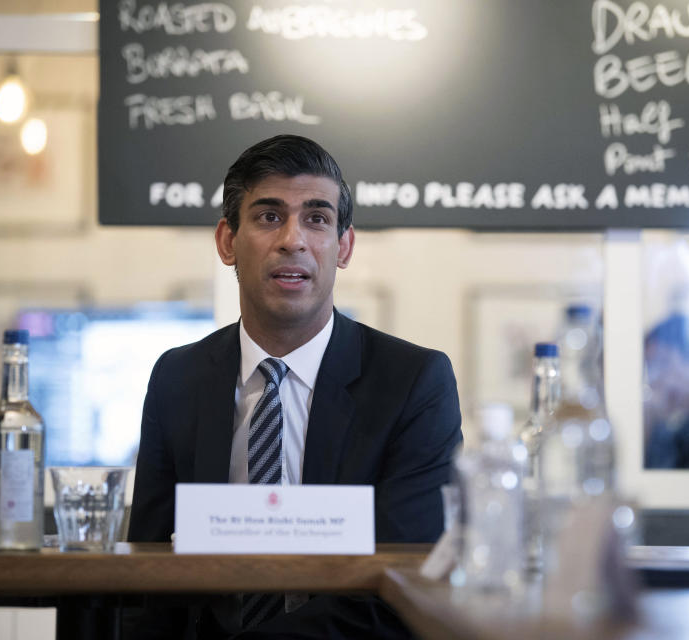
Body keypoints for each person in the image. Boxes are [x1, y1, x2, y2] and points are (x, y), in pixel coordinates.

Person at [126, 134, 463, 639]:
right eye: (268, 216)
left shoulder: (414, 382)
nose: (293, 239)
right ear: (226, 241)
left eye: (317, 218)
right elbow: (147, 573)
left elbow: (409, 582)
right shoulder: (179, 378)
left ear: (343, 246)